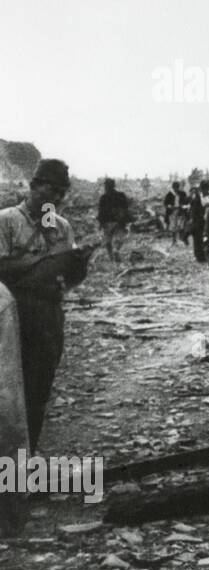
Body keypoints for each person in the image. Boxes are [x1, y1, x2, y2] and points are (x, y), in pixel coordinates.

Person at [0, 159, 95, 453]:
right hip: (11, 317)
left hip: (48, 315)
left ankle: (23, 463)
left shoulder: (61, 227)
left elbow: (70, 276)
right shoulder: (7, 221)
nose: (54, 198)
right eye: (49, 190)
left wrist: (77, 264)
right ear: (32, 186)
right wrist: (44, 263)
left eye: (60, 193)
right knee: (6, 395)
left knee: (38, 391)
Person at [97, 178, 130, 262]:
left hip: (107, 222)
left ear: (106, 186)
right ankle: (116, 250)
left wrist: (100, 223)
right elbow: (125, 208)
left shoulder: (103, 197)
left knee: (108, 240)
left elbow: (100, 211)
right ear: (114, 185)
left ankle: (111, 257)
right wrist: (125, 219)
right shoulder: (121, 195)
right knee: (120, 238)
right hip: (119, 221)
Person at [189, 178, 209, 261]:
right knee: (198, 238)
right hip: (199, 220)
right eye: (207, 188)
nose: (208, 190)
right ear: (203, 188)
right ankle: (200, 257)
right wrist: (194, 219)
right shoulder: (197, 197)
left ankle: (207, 254)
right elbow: (193, 210)